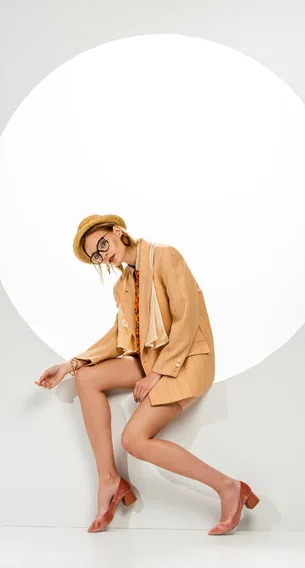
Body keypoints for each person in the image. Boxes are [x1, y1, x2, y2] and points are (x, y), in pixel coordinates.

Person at [34, 214, 259, 534]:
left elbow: (186, 317)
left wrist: (159, 374)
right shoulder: (124, 285)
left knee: (134, 440)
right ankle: (109, 479)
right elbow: (120, 337)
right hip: (154, 359)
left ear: (116, 231)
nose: (103, 254)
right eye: (96, 255)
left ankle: (229, 487)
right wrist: (70, 365)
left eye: (102, 244)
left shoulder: (165, 255)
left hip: (189, 357)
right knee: (87, 378)